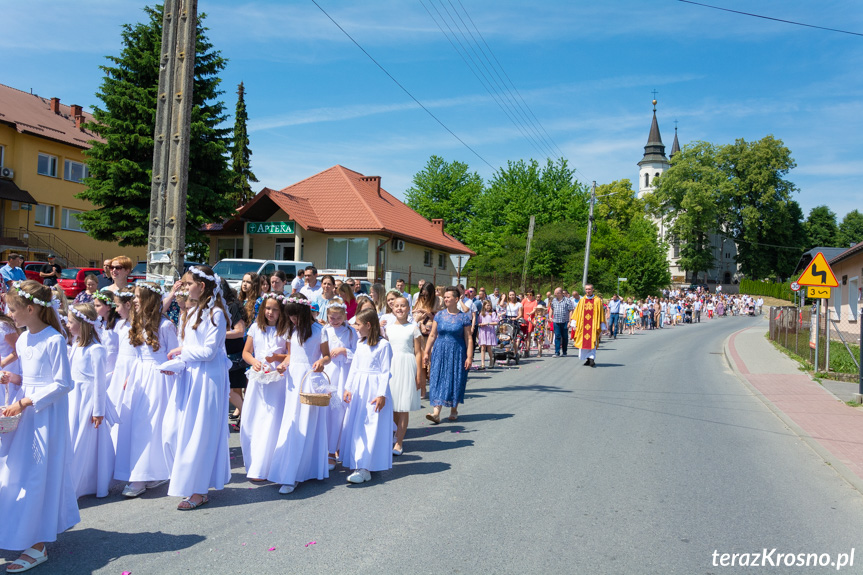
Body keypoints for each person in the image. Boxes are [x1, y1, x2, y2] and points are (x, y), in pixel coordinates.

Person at [0, 280, 79, 573]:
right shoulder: (22, 339)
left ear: (30, 309)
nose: (9, 314)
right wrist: (12, 383)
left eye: (12, 309)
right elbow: (27, 376)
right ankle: (16, 528)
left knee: (37, 474)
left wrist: (27, 401)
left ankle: (37, 543)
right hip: (25, 411)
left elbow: (63, 383)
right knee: (14, 471)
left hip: (45, 416)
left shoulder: (53, 340)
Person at [163, 266, 231, 510]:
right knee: (173, 431)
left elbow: (210, 351)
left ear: (202, 287)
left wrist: (183, 352)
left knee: (200, 432)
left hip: (208, 379)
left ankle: (199, 490)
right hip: (189, 377)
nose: (183, 287)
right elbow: (188, 347)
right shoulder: (189, 313)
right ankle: (186, 478)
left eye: (188, 283)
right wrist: (176, 364)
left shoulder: (216, 315)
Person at [114, 282, 176, 498]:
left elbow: (173, 354)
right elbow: (138, 355)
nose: (136, 300)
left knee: (149, 425)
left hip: (158, 378)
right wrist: (131, 375)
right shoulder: (137, 322)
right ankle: (147, 471)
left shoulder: (166, 326)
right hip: (139, 376)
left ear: (149, 299)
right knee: (133, 424)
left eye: (139, 296)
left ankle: (141, 476)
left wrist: (168, 370)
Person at [268, 295, 331, 495]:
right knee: (292, 422)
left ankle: (298, 472)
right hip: (292, 380)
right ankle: (290, 470)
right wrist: (283, 365)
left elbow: (327, 356)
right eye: (290, 316)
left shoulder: (320, 331)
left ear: (303, 312)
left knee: (306, 423)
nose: (293, 319)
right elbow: (291, 355)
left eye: (295, 316)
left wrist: (322, 362)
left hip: (309, 380)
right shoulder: (291, 331)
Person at [66, 303, 115, 499]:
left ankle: (78, 485)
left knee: (85, 443)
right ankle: (76, 481)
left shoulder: (96, 350)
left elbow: (99, 383)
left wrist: (98, 410)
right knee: (74, 439)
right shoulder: (76, 346)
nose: (68, 326)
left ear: (82, 324)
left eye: (70, 322)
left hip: (88, 401)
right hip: (74, 398)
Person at [340, 308, 393, 483]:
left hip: (374, 389)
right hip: (359, 389)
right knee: (357, 425)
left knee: (371, 425)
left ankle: (365, 467)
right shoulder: (361, 344)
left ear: (368, 325)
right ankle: (358, 461)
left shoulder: (383, 345)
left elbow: (385, 372)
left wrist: (381, 394)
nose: (355, 327)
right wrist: (348, 388)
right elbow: (355, 367)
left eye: (358, 324)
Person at [240, 292, 288, 482]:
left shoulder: (285, 330)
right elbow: (246, 352)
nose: (270, 312)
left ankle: (268, 465)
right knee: (254, 419)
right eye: (268, 308)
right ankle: (254, 463)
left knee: (271, 421)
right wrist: (254, 362)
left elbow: (290, 354)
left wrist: (279, 360)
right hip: (257, 380)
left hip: (276, 381)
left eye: (275, 310)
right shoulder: (255, 328)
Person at [423, 286, 472, 424]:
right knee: (437, 378)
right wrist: (426, 352)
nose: (445, 299)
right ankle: (436, 413)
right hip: (440, 351)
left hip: (457, 352)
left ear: (456, 299)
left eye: (448, 297)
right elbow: (432, 335)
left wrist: (469, 357)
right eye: (444, 297)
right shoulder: (439, 315)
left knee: (455, 378)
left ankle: (453, 409)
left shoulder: (463, 317)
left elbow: (468, 338)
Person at [323, 299, 356, 469]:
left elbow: (357, 354)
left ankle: (335, 450)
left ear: (344, 316)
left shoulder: (350, 332)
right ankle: (326, 449)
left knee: (339, 412)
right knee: (327, 411)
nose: (334, 321)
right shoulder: (324, 331)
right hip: (328, 373)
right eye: (331, 318)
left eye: (337, 318)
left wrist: (344, 350)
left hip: (343, 373)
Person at [387, 296, 422, 456]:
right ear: (392, 308)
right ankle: (394, 434)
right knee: (391, 406)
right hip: (391, 366)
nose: (399, 309)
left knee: (403, 406)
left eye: (403, 306)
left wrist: (419, 374)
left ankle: (399, 442)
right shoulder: (387, 328)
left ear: (409, 308)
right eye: (396, 306)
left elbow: (418, 352)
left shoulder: (413, 328)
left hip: (407, 365)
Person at [106, 289, 135, 415]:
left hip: (132, 365)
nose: (116, 310)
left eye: (118, 306)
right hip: (120, 366)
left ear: (128, 305)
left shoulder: (138, 326)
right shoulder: (120, 325)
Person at [223, 282, 248, 428]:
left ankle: (246, 415)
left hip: (232, 354)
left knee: (230, 390)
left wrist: (218, 335)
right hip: (226, 353)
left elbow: (239, 331)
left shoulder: (231, 306)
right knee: (230, 389)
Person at [570, 284, 607, 367]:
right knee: (583, 342)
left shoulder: (597, 300)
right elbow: (577, 312)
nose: (588, 291)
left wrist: (603, 325)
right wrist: (574, 323)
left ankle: (591, 358)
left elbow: (601, 314)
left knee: (592, 341)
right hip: (583, 326)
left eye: (589, 289)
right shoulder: (582, 300)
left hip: (593, 326)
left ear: (593, 290)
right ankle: (587, 359)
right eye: (586, 289)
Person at [549, 287, 575, 357]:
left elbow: (570, 311)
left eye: (556, 293)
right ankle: (557, 352)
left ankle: (564, 352)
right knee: (557, 336)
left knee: (564, 337)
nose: (555, 295)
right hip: (556, 321)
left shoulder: (567, 300)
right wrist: (550, 317)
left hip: (565, 321)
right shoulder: (554, 300)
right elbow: (551, 308)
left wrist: (570, 321)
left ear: (560, 293)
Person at [476, 299, 499, 368]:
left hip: (489, 331)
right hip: (483, 331)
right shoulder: (481, 314)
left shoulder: (493, 313)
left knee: (489, 348)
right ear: (484, 306)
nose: (489, 307)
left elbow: (496, 322)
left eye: (490, 305)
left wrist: (488, 323)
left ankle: (491, 360)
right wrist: (481, 324)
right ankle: (482, 363)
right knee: (482, 347)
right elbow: (479, 322)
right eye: (487, 305)